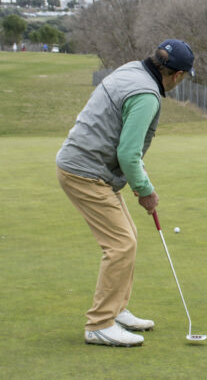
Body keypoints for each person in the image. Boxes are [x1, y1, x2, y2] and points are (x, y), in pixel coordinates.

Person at [56, 39, 195, 347]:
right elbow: (128, 153)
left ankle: (116, 309)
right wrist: (145, 190)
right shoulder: (147, 94)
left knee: (127, 236)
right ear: (176, 75)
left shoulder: (132, 69)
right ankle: (99, 324)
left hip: (90, 166)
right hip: (85, 171)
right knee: (120, 244)